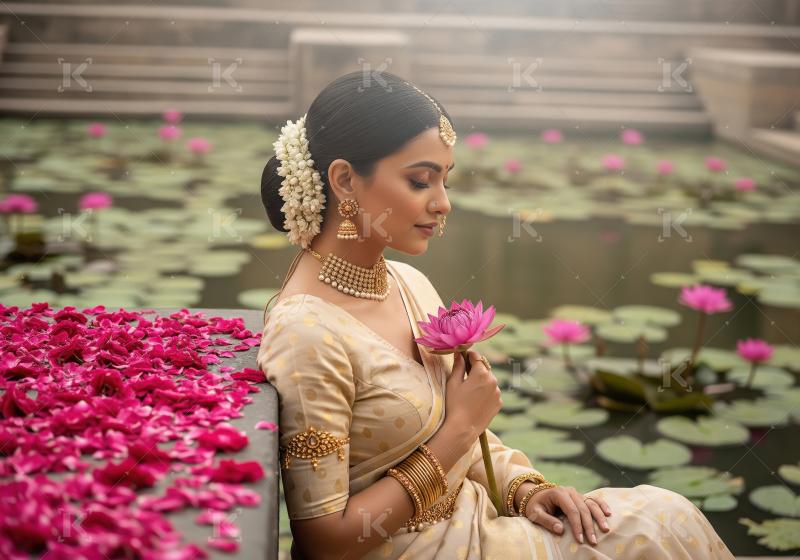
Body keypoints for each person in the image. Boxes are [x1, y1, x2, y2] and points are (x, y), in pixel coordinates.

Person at [256, 71, 736, 560]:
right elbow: (324, 542)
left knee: (668, 515)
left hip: (475, 520)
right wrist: (459, 430)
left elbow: (467, 435)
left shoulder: (409, 284)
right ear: (344, 180)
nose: (442, 203)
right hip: (411, 551)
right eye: (420, 180)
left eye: (445, 179)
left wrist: (525, 490)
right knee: (654, 533)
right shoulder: (306, 333)